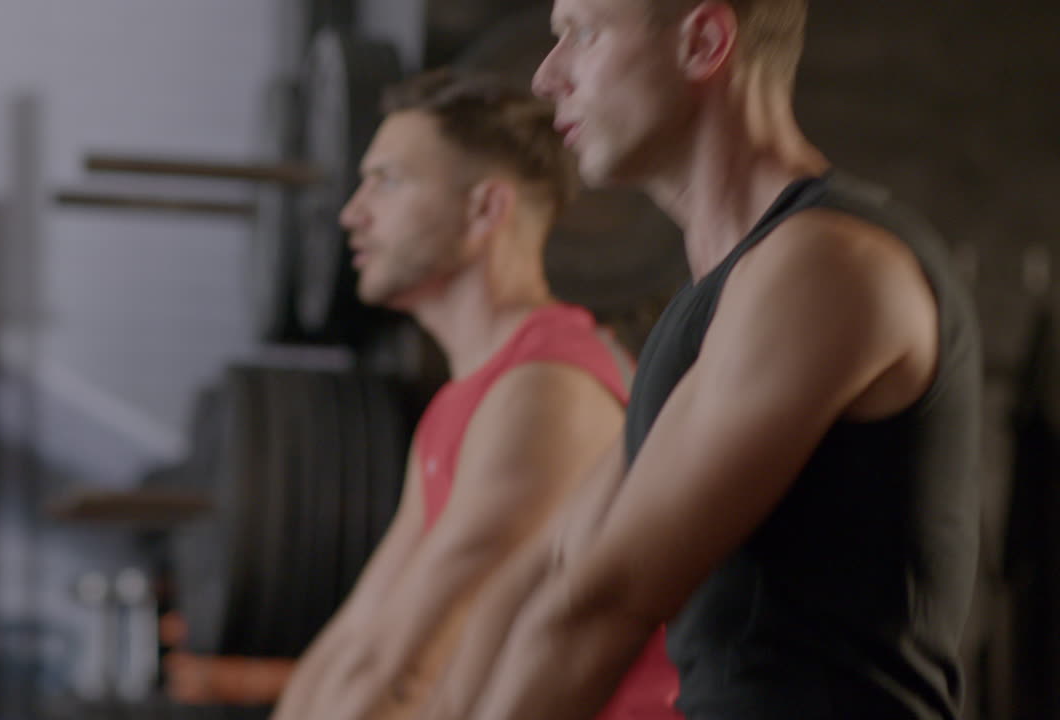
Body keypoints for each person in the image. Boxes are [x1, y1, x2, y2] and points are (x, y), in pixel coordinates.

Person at [419, 2, 982, 720]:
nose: (544, 77)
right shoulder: (714, 303)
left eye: (583, 35)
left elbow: (604, 604)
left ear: (704, 43)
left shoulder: (828, 266)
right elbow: (556, 569)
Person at [165, 68, 681, 719]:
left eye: (387, 181)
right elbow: (360, 634)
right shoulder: (463, 402)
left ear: (486, 209)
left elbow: (410, 672)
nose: (352, 212)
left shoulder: (547, 393)